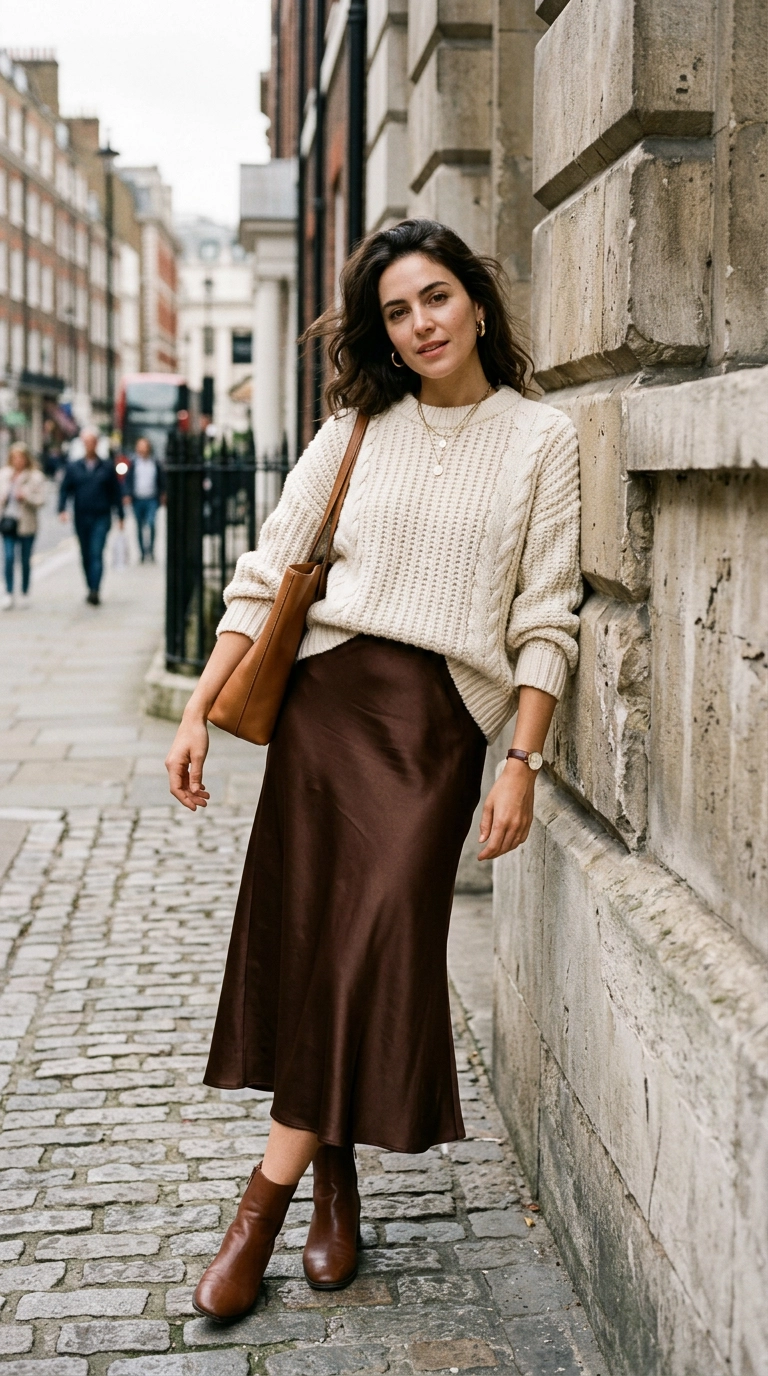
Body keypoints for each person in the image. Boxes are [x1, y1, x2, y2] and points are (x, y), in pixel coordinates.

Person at [164, 218, 582, 1322]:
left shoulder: (543, 438)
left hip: (438, 730)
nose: (421, 323)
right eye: (397, 311)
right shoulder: (356, 427)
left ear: (478, 304)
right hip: (327, 711)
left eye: (436, 297)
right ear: (384, 333)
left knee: (372, 941)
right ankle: (328, 1177)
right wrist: (200, 708)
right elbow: (265, 574)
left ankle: (257, 1203)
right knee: (321, 950)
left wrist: (522, 761)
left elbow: (548, 614)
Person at [58, 426, 124, 605]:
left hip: (101, 515)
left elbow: (116, 492)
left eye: (92, 442)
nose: (89, 445)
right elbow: (65, 490)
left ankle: (95, 589)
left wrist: (121, 515)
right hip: (82, 515)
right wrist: (62, 509)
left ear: (97, 444)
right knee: (86, 554)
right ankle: (89, 586)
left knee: (96, 552)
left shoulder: (107, 466)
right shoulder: (74, 466)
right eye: (86, 442)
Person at [0, 442, 47, 610]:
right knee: (9, 558)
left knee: (25, 560)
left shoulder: (35, 476)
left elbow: (41, 500)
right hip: (8, 523)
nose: (18, 461)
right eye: (14, 458)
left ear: (26, 459)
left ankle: (25, 591)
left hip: (26, 524)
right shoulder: (4, 475)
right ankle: (9, 592)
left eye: (20, 458)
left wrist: (26, 496)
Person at [124, 436, 166, 561]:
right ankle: (142, 553)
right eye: (139, 447)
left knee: (151, 523)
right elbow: (127, 481)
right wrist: (127, 494)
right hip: (137, 499)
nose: (142, 450)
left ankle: (151, 550)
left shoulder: (155, 463)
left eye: (144, 447)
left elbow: (161, 480)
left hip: (151, 498)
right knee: (139, 526)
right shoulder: (132, 463)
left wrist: (163, 494)